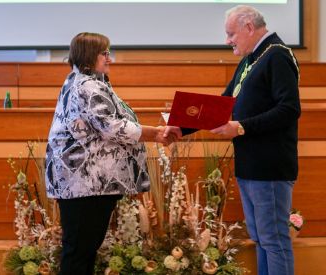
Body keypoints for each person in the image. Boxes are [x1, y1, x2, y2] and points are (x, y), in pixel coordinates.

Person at [165, 5, 300, 275]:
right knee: (262, 240)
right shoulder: (251, 58)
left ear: (249, 27)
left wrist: (240, 128)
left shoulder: (277, 56)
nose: (228, 41)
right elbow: (221, 108)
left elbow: (289, 109)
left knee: (274, 241)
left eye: (231, 34)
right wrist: (179, 126)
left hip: (270, 166)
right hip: (250, 165)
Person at [45, 32, 180, 275]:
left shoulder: (85, 81)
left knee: (83, 251)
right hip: (84, 184)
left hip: (87, 185)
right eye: (104, 53)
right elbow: (112, 126)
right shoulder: (86, 86)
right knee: (78, 254)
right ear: (88, 56)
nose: (110, 59)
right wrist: (157, 133)